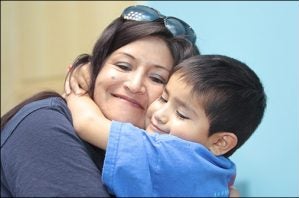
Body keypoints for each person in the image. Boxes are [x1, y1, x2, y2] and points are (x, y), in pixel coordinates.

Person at [0, 5, 199, 197]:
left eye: (157, 78)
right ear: (96, 67)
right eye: (123, 66)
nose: (135, 85)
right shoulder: (45, 125)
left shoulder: (164, 155)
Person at [66, 55, 267, 197]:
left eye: (181, 114)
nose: (160, 115)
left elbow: (87, 124)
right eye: (163, 98)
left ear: (221, 142)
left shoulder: (167, 155)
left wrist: (77, 90)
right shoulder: (222, 170)